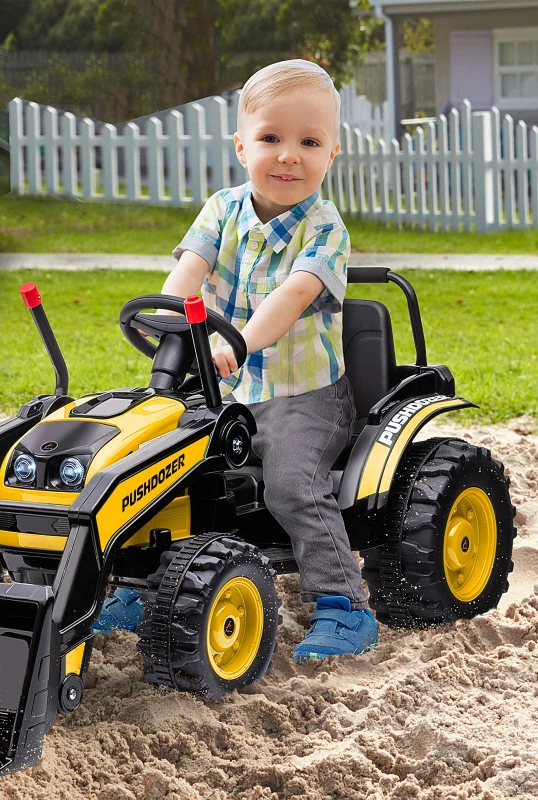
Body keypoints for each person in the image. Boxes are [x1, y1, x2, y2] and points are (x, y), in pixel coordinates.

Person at [161, 59, 377, 663]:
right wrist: (173, 318)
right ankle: (151, 580)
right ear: (241, 145)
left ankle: (343, 604)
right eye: (271, 139)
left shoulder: (325, 228)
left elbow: (291, 297)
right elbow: (187, 273)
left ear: (332, 152)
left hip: (306, 397)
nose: (289, 156)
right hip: (228, 393)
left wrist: (240, 343)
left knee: (290, 485)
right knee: (168, 469)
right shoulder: (222, 210)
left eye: (309, 142)